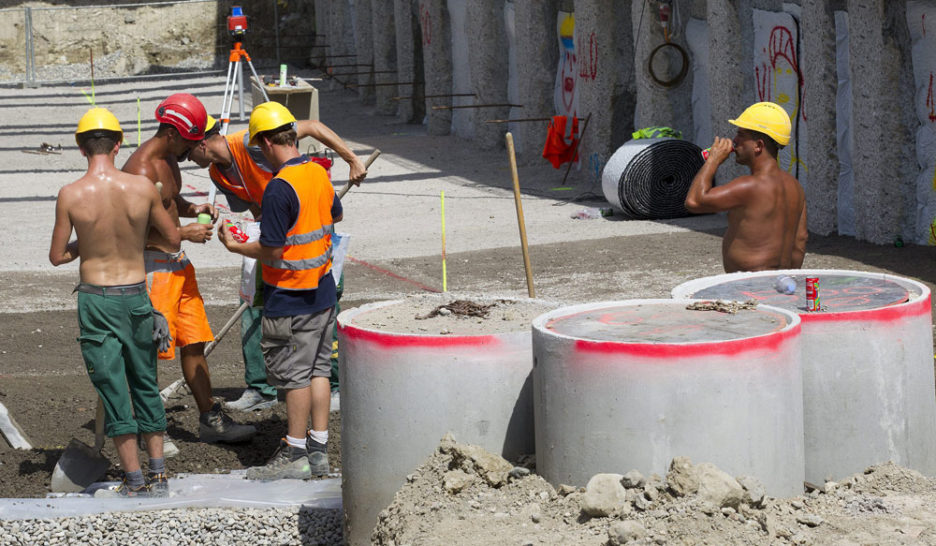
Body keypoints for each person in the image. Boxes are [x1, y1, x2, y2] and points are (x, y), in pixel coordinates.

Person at [189, 113, 366, 412]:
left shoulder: (253, 142)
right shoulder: (217, 175)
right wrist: (241, 233)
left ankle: (333, 386)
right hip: (272, 237)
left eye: (187, 150)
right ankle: (260, 387)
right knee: (254, 302)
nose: (185, 157)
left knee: (324, 303)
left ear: (202, 143)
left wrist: (352, 160)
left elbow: (311, 126)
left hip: (308, 234)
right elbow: (258, 209)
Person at [49, 108, 179, 496]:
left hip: (97, 301)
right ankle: (158, 473)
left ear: (80, 147)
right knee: (145, 383)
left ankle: (133, 478)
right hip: (137, 296)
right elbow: (172, 239)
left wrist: (85, 244)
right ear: (119, 144)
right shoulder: (141, 188)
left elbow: (57, 256)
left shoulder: (71, 194)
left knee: (113, 388)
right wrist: (135, 238)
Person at [122, 93, 255, 454]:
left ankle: (210, 419)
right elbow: (129, 230)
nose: (195, 150)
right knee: (147, 353)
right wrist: (183, 232)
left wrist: (191, 207)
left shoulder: (168, 157)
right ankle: (148, 429)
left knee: (195, 343)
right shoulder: (140, 170)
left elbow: (167, 202)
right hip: (152, 271)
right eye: (191, 142)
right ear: (172, 133)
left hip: (177, 268)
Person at [218, 102, 339, 479]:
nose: (259, 156)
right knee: (319, 370)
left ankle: (295, 455)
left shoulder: (278, 188)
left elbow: (271, 249)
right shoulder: (317, 174)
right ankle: (319, 450)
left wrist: (236, 246)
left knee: (295, 377)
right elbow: (334, 214)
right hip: (323, 290)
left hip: (290, 296)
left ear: (269, 142)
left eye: (258, 148)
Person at [684, 102, 807, 273]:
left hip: (749, 286)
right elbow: (800, 240)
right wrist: (787, 278)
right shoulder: (796, 187)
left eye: (741, 135)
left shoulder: (749, 186)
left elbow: (694, 201)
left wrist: (713, 160)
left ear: (758, 145)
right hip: (782, 282)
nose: (734, 140)